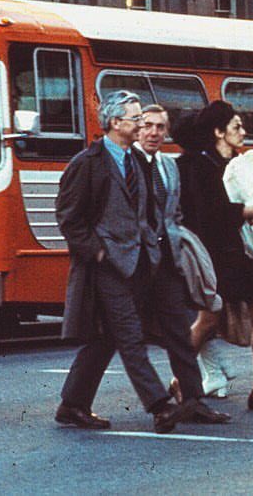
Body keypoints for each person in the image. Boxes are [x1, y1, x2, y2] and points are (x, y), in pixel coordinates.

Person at [54, 90, 197, 434]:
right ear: (115, 123)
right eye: (135, 118)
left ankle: (72, 404)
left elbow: (144, 214)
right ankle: (160, 407)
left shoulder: (135, 160)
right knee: (130, 335)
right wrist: (97, 251)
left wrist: (151, 251)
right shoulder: (88, 163)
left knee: (106, 338)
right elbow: (68, 217)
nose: (140, 124)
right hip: (106, 266)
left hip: (138, 262)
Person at [179, 100, 253, 411]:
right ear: (218, 132)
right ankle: (181, 381)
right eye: (236, 127)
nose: (243, 132)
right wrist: (247, 211)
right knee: (208, 319)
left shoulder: (242, 163)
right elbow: (206, 214)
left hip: (246, 251)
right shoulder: (202, 166)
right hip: (219, 253)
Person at [131, 103, 230, 424]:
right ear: (136, 127)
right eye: (147, 125)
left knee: (178, 332)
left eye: (161, 127)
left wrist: (173, 244)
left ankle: (193, 401)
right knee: (112, 338)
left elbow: (172, 213)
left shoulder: (167, 166)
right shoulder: (124, 164)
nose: (154, 133)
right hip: (132, 264)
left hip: (166, 263)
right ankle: (74, 400)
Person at [171, 113, 238, 399]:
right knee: (204, 316)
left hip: (190, 251)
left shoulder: (178, 167)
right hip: (209, 251)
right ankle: (215, 373)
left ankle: (192, 379)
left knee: (200, 316)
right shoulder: (207, 165)